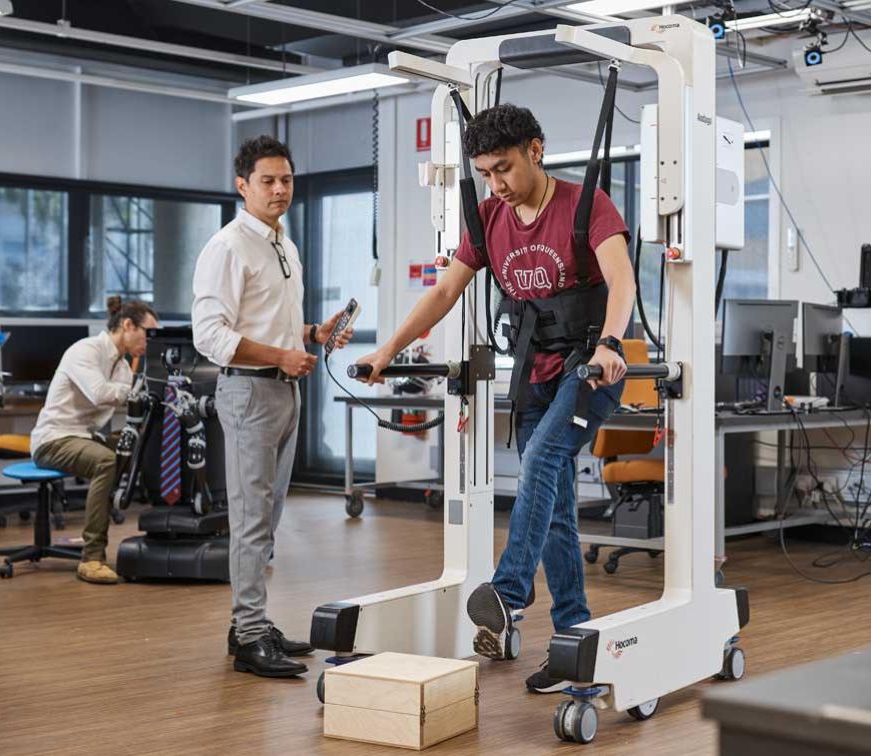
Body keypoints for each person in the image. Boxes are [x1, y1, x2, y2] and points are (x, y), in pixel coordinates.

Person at [357, 104, 635, 693]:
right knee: (555, 504)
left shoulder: (586, 206)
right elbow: (444, 294)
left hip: (590, 370)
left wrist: (611, 342)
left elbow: (622, 279)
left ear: (536, 149)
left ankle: (507, 593)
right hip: (533, 371)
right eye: (485, 173)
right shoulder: (487, 217)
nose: (496, 185)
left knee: (537, 461)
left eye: (503, 169)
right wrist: (388, 350)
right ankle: (573, 644)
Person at [192, 135, 353, 679]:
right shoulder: (228, 246)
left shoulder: (284, 244)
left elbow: (270, 321)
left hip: (286, 390)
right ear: (243, 185)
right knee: (250, 521)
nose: (280, 189)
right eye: (268, 180)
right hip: (248, 391)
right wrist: (282, 354)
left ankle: (251, 623)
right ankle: (250, 637)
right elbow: (210, 336)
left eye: (286, 179)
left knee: (269, 518)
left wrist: (311, 333)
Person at [31, 297, 159, 585]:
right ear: (127, 325)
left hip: (84, 437)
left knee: (141, 447)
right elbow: (100, 393)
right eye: (147, 333)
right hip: (53, 439)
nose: (150, 341)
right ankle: (91, 558)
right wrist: (138, 393)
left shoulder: (123, 368)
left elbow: (129, 406)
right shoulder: (85, 350)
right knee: (106, 461)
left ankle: (160, 535)